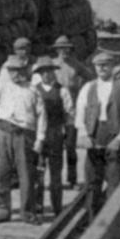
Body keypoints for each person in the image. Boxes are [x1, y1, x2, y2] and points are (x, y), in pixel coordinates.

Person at [0, 57, 47, 224]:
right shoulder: (1, 89)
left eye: (18, 71)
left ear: (25, 71)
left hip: (24, 136)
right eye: (11, 71)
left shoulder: (33, 91)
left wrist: (40, 139)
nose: (15, 74)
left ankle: (27, 212)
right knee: (1, 173)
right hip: (3, 133)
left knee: (26, 174)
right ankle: (2, 210)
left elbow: (42, 116)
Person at [74, 52, 120, 221]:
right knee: (92, 182)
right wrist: (83, 134)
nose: (102, 68)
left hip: (113, 136)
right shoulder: (88, 87)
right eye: (99, 66)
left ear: (112, 67)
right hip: (94, 135)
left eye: (106, 65)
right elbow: (79, 112)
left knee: (114, 181)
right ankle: (92, 218)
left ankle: (111, 220)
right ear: (95, 67)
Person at [32, 57, 75, 216]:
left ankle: (57, 207)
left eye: (49, 72)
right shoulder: (34, 90)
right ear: (39, 74)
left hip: (56, 136)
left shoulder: (62, 90)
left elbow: (70, 114)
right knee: (38, 174)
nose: (46, 75)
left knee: (56, 174)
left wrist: (69, 136)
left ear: (53, 72)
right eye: (43, 72)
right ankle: (38, 207)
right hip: (39, 138)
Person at [51, 35, 95, 189]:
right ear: (56, 50)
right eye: (61, 49)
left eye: (67, 49)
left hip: (71, 112)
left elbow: (91, 79)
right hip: (54, 111)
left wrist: (83, 95)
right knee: (53, 147)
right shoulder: (52, 65)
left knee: (70, 146)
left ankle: (72, 179)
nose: (65, 52)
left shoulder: (77, 65)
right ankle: (55, 181)